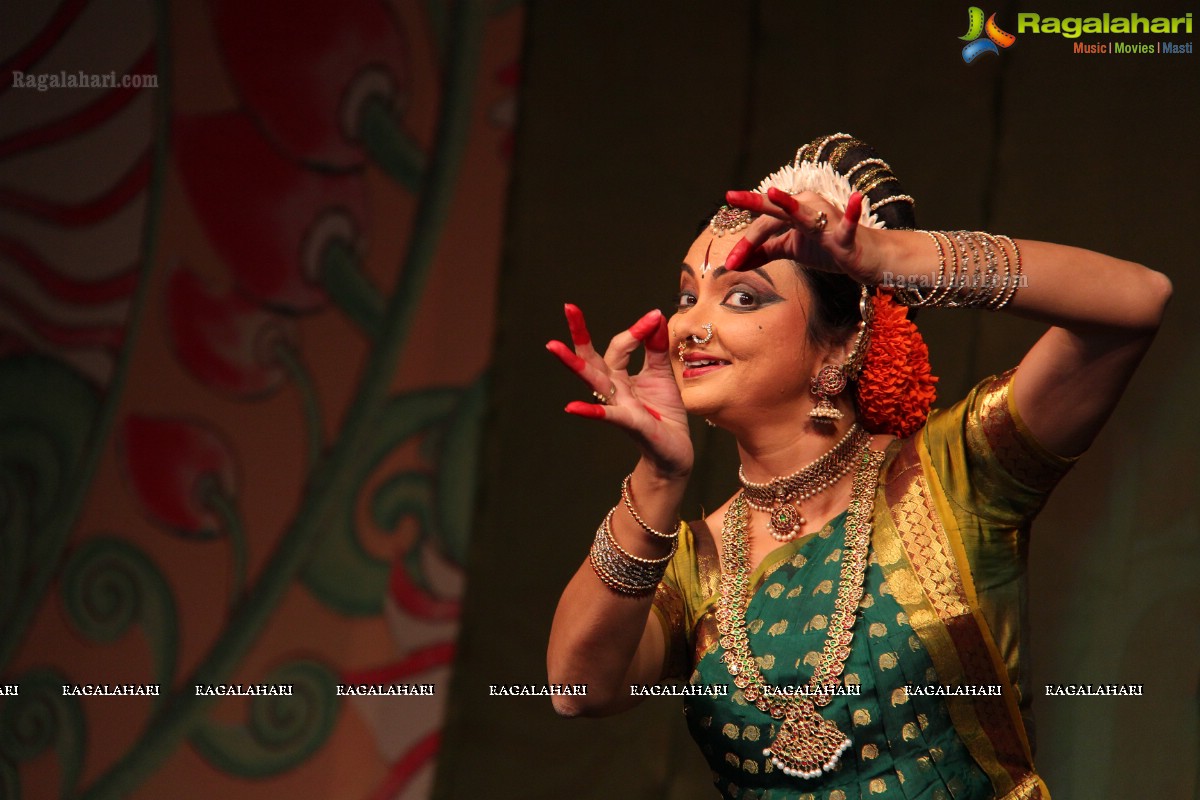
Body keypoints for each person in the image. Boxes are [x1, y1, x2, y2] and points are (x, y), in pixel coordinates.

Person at [544, 133, 1171, 799]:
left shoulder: (955, 476)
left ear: (839, 344)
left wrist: (888, 258)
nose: (690, 326)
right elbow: (577, 689)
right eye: (686, 296)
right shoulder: (688, 559)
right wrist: (658, 478)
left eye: (742, 297)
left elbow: (1136, 301)